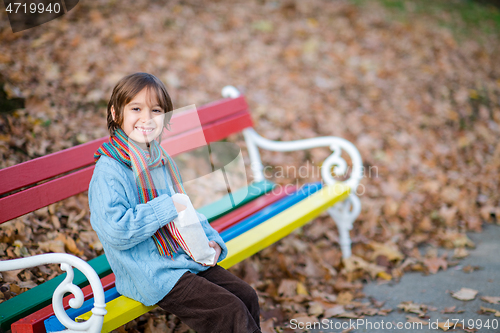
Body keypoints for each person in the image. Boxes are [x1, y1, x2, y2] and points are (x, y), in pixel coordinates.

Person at [88, 72, 261, 333]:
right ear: (115, 113)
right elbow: (116, 231)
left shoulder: (159, 159)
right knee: (228, 311)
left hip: (182, 257)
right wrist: (166, 207)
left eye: (155, 110)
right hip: (150, 273)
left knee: (245, 295)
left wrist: (212, 241)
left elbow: (185, 209)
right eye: (136, 108)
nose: (146, 118)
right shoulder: (109, 170)